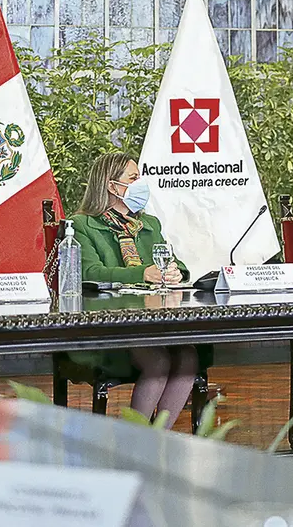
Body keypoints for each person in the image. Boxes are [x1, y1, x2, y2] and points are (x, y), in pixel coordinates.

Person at [70, 153, 198, 429]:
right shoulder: (82, 225)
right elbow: (90, 273)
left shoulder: (150, 224)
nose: (141, 184)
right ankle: (135, 441)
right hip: (109, 323)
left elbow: (175, 263)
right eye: (134, 178)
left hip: (154, 320)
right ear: (111, 185)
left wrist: (176, 272)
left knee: (188, 357)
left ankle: (158, 439)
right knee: (158, 361)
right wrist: (142, 273)